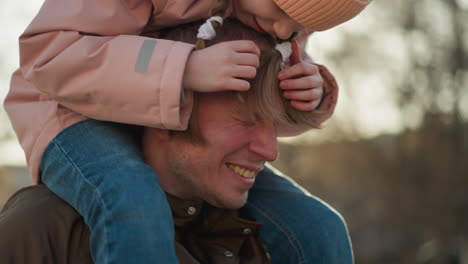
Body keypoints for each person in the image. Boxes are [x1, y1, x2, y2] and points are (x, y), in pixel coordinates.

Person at [3, 0, 370, 263]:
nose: (284, 31)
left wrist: (313, 89)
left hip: (158, 110)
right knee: (131, 197)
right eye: (281, 11)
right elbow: (48, 54)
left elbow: (267, 82)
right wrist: (183, 69)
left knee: (318, 225)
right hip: (68, 109)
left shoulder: (268, 18)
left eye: (300, 27)